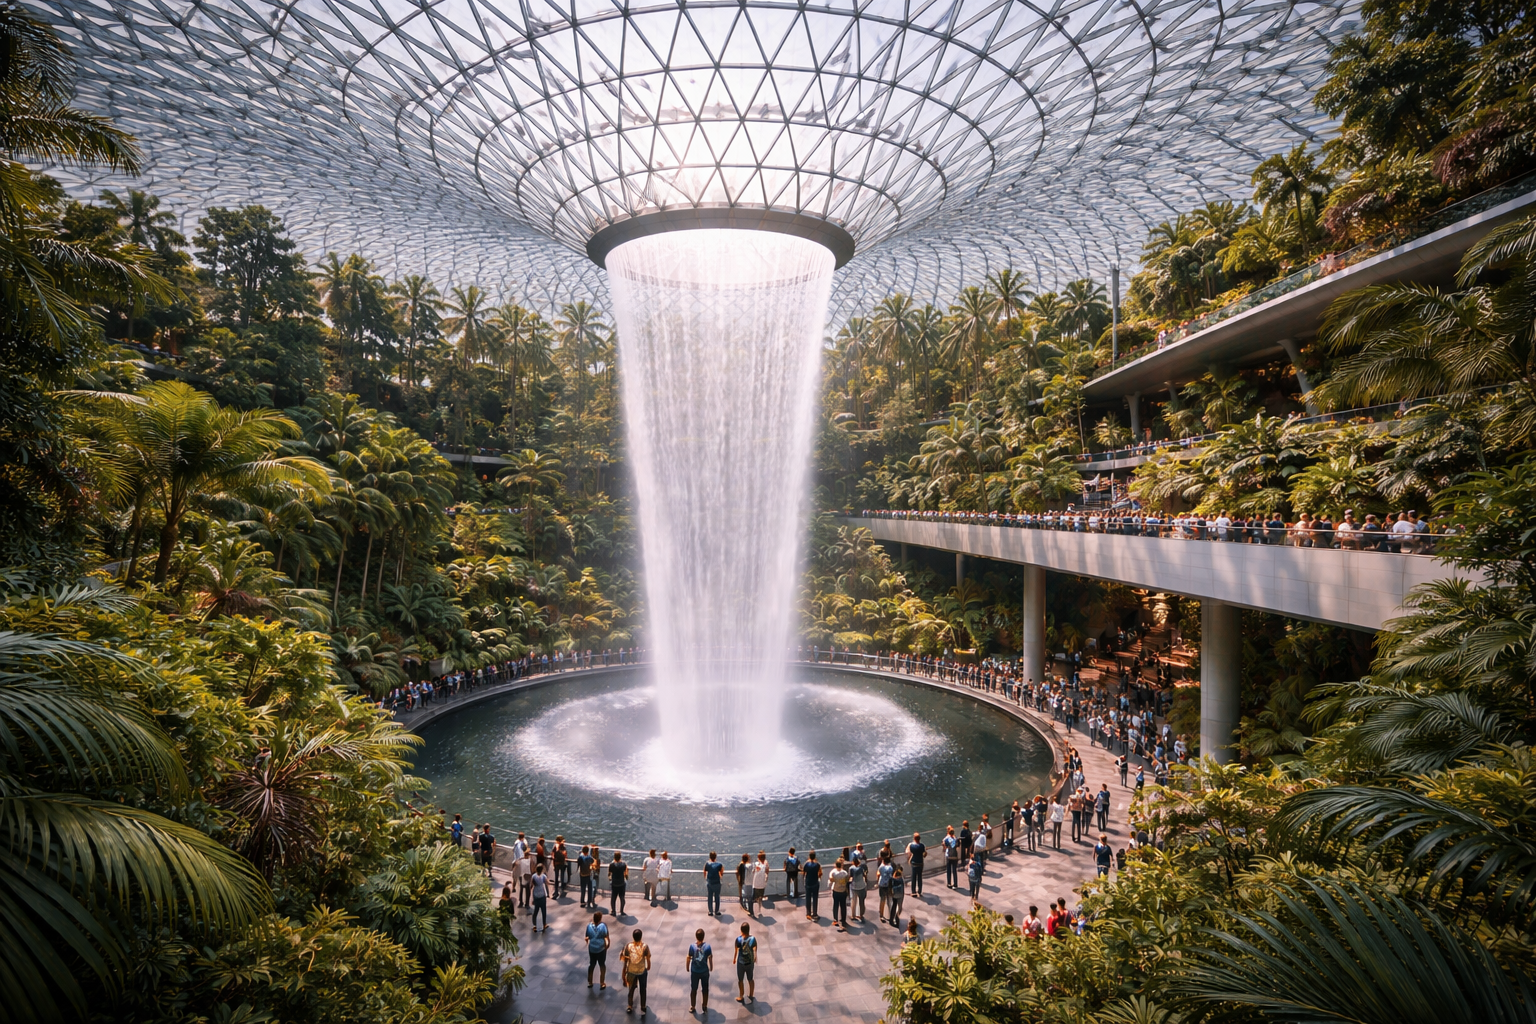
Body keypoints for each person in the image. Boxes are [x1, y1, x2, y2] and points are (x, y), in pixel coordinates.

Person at [622, 927, 651, 1015]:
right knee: (643, 989)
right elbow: (648, 958)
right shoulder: (645, 946)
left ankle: (630, 1006)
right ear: (641, 937)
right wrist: (648, 966)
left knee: (631, 988)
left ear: (633, 937)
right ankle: (643, 1006)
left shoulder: (628, 946)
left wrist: (624, 972)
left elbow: (625, 960)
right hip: (641, 970)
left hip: (631, 970)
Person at [686, 928, 713, 1015]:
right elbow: (710, 957)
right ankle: (704, 1005)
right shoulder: (708, 947)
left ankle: (692, 1006)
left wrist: (687, 967)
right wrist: (711, 966)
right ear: (703, 937)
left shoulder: (692, 946)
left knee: (694, 989)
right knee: (705, 989)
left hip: (695, 971)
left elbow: (688, 957)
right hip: (704, 971)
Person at [733, 922, 757, 1004]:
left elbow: (736, 950)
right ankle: (751, 994)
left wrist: (734, 959)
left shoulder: (738, 939)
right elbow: (754, 949)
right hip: (750, 962)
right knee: (750, 978)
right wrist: (755, 957)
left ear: (741, 930)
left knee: (740, 979)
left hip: (741, 963)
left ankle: (741, 996)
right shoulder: (753, 939)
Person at [586, 911, 610, 989]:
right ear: (600, 919)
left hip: (592, 948)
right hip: (601, 948)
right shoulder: (603, 926)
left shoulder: (589, 926)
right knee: (602, 964)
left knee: (592, 964)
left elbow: (587, 936)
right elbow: (606, 936)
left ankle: (590, 981)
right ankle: (602, 982)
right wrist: (607, 945)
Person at [829, 857, 851, 930]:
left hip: (836, 890)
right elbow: (847, 880)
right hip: (843, 891)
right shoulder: (845, 873)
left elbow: (831, 880)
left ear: (835, 865)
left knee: (835, 905)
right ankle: (843, 919)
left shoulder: (833, 872)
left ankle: (835, 919)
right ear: (841, 865)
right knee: (843, 905)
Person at [530, 859, 550, 931]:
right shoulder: (543, 876)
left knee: (536, 911)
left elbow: (531, 886)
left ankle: (534, 925)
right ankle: (544, 924)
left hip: (536, 895)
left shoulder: (533, 876)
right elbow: (548, 883)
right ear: (542, 870)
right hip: (542, 895)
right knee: (543, 911)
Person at [802, 849, 823, 920]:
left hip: (808, 883)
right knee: (815, 898)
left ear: (809, 856)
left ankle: (808, 914)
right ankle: (815, 914)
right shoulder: (817, 865)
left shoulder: (806, 864)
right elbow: (820, 873)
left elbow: (803, 873)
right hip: (815, 883)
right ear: (815, 856)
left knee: (808, 898)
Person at [609, 851, 629, 917]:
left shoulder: (611, 865)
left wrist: (610, 880)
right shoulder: (624, 864)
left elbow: (609, 874)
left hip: (614, 883)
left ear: (614, 857)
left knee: (613, 898)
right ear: (620, 857)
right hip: (621, 883)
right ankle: (622, 911)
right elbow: (626, 874)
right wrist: (626, 878)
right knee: (622, 897)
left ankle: (613, 911)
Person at [849, 852, 868, 922]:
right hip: (862, 886)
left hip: (854, 887)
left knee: (853, 901)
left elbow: (850, 877)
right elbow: (864, 875)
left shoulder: (851, 868)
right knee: (861, 902)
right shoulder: (861, 868)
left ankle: (853, 915)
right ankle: (861, 915)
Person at [704, 851, 723, 916]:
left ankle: (710, 911)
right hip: (717, 882)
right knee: (717, 896)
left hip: (710, 882)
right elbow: (721, 872)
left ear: (710, 857)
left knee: (710, 896)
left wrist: (706, 878)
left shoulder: (707, 864)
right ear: (715, 857)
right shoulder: (719, 864)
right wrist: (720, 877)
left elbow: (704, 871)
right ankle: (717, 911)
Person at [750, 851, 769, 917]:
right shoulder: (765, 865)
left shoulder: (756, 864)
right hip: (762, 884)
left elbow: (752, 871)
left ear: (758, 858)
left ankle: (753, 911)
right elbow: (767, 872)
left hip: (756, 884)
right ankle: (759, 910)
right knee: (760, 898)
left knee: (754, 898)